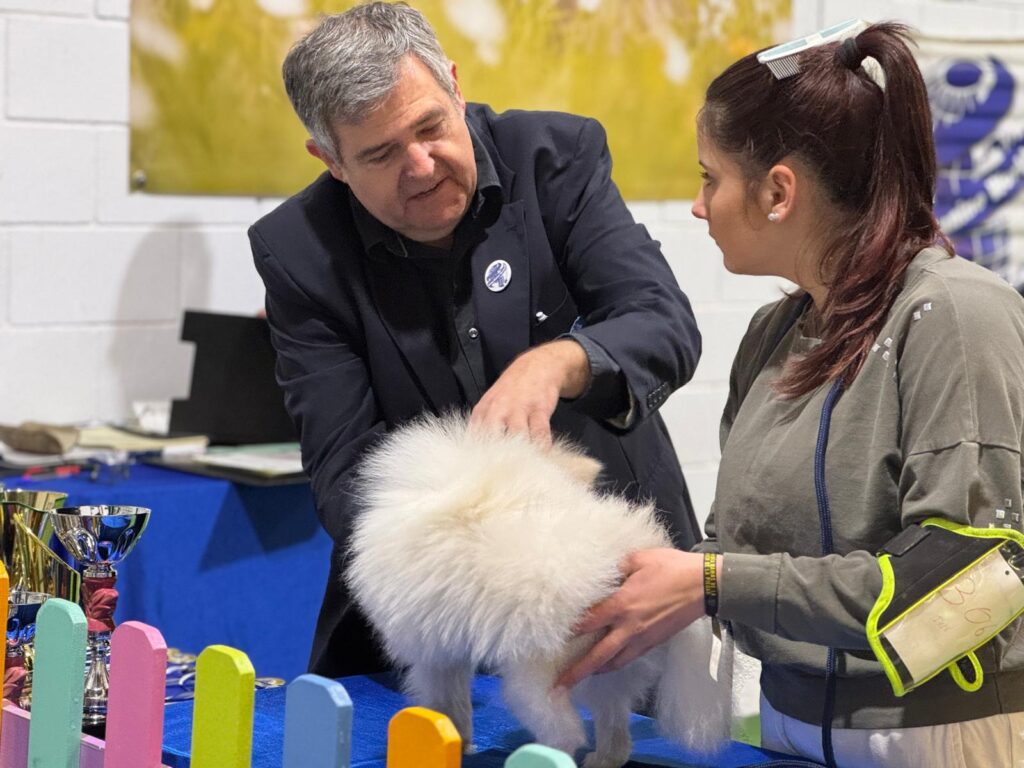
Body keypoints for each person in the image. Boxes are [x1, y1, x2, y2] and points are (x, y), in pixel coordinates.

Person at [558, 21, 1024, 767]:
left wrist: (711, 583)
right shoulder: (771, 336)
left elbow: (965, 584)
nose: (699, 206)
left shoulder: (956, 316)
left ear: (778, 192)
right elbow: (732, 552)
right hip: (784, 733)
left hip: (936, 742)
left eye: (710, 178)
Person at [249, 1, 703, 679]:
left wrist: (560, 362)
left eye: (430, 126)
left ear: (455, 86)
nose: (421, 165)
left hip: (609, 576)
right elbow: (345, 475)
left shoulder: (554, 159)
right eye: (380, 154)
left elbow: (663, 323)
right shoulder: (299, 253)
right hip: (440, 604)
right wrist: (482, 559)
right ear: (331, 161)